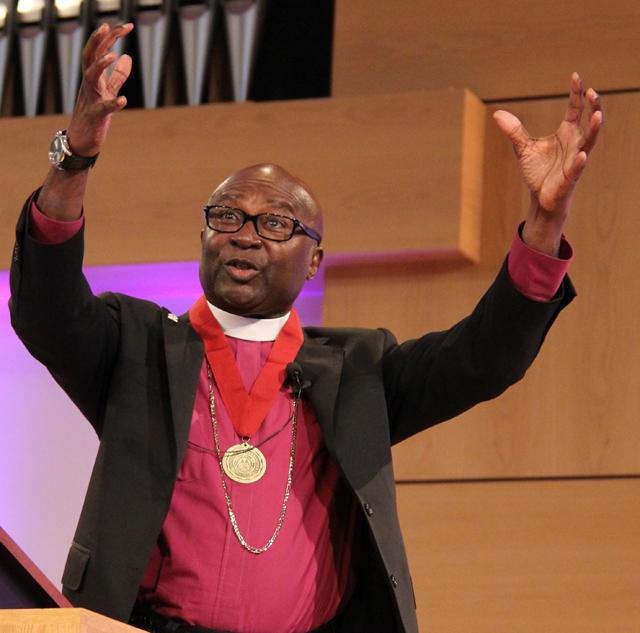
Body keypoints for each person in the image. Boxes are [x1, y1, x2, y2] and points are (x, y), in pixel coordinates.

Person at [9, 23, 602, 633]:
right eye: (227, 216)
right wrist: (74, 158)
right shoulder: (136, 347)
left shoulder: (360, 371)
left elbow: (484, 359)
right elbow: (45, 310)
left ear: (315, 259)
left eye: (276, 225)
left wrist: (543, 223)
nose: (244, 233)